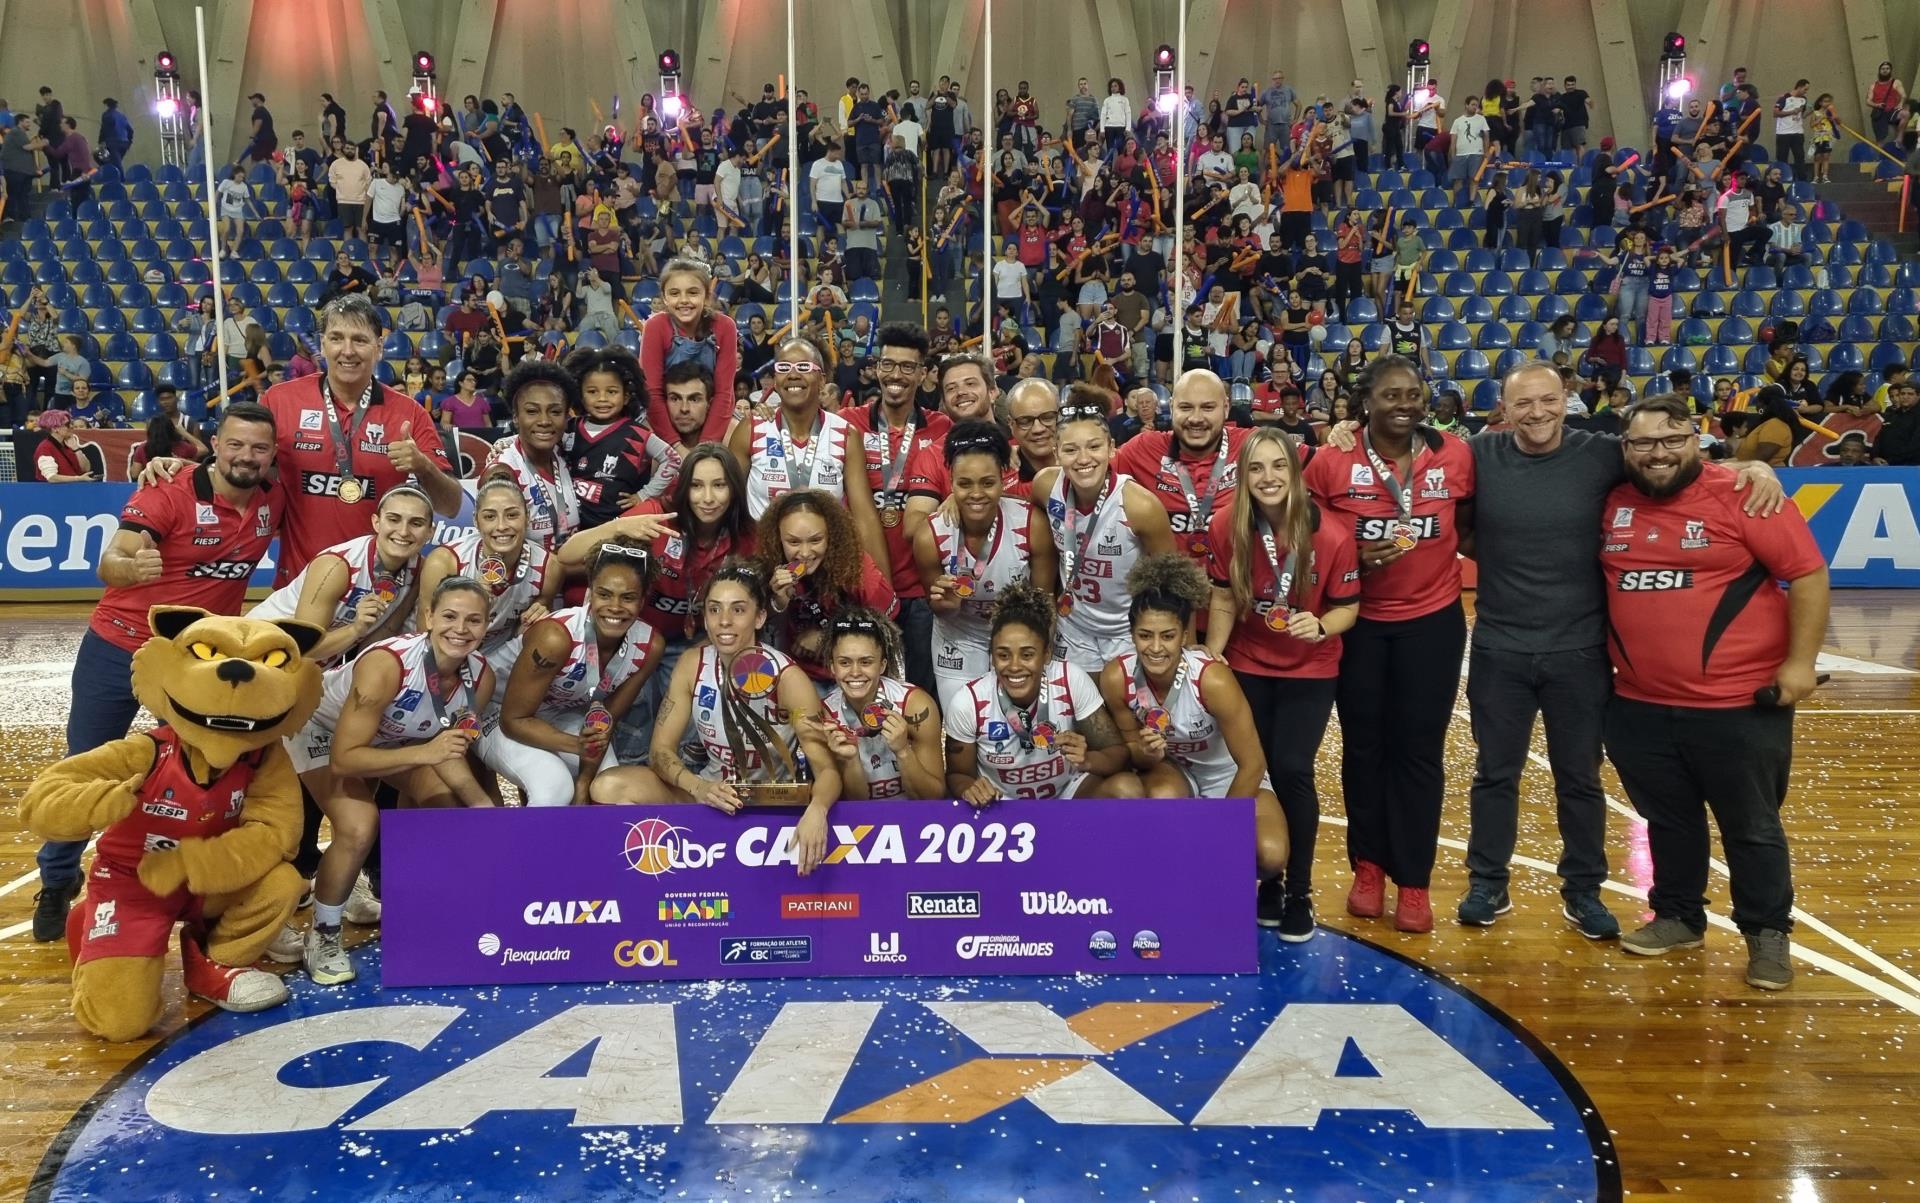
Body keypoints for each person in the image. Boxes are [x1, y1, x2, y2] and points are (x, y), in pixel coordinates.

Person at [1599, 395, 1829, 990]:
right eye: (1643, 442)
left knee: (1751, 826)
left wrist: (1800, 663)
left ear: (1697, 440)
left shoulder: (1745, 494)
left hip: (1738, 706)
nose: (1657, 454)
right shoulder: (1613, 500)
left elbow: (1806, 574)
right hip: (1639, 705)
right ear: (1625, 448)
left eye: (1672, 440)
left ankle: (1767, 932)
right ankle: (1678, 914)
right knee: (1667, 819)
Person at [29, 404, 282, 941]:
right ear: (215, 441)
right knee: (87, 765)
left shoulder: (273, 498)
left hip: (194, 665)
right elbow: (112, 559)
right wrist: (129, 567)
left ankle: (212, 885)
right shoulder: (169, 490)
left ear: (272, 455)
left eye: (259, 448)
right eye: (236, 444)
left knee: (217, 768)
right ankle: (56, 881)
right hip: (118, 649)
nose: (247, 456)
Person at [1303, 356, 1474, 933]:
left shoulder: (1454, 454)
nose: (1404, 405)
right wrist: (1348, 555)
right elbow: (1305, 534)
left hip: (1433, 621)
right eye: (1391, 395)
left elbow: (1471, 521)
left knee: (1419, 753)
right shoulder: (1331, 460)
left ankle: (1416, 881)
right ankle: (1369, 867)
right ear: (1365, 403)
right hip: (1359, 623)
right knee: (1364, 749)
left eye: (1414, 394)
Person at [142, 294, 461, 585]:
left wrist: (422, 466)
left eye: (360, 340)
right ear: (322, 345)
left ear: (379, 347)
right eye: (337, 338)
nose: (347, 351)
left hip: (378, 587)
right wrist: (181, 469)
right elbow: (237, 468)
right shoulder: (280, 401)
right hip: (299, 584)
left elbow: (450, 504)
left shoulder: (409, 413)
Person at [282, 576, 496, 984]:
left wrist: (482, 807)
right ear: (429, 617)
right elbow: (346, 761)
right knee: (359, 826)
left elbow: (447, 751)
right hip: (323, 733)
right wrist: (424, 753)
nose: (461, 629)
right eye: (449, 616)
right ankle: (323, 935)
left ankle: (413, 913)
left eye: (474, 620)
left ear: (488, 626)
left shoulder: (481, 677)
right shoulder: (387, 664)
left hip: (392, 740)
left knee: (446, 806)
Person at [591, 562, 839, 874]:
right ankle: (645, 875)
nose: (724, 622)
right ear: (705, 618)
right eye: (714, 609)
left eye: (738, 610)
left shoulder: (788, 678)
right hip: (712, 794)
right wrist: (700, 788)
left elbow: (827, 768)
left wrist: (818, 810)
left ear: (760, 616)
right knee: (609, 787)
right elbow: (660, 752)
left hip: (775, 803)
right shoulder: (691, 663)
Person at [1102, 554, 1289, 911]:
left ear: (1185, 634)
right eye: (1145, 635)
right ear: (1132, 634)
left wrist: (1221, 828)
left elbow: (1253, 763)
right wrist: (1149, 753)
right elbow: (1130, 751)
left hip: (1228, 775)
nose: (1156, 648)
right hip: (1175, 769)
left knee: (1270, 855)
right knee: (1159, 800)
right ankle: (1174, 891)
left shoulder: (1212, 679)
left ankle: (1269, 886)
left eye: (1168, 636)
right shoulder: (1117, 678)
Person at [560, 444, 750, 762]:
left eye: (719, 485)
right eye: (697, 485)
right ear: (683, 487)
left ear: (734, 488)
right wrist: (619, 527)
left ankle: (685, 777)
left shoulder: (746, 535)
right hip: (635, 639)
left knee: (686, 725)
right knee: (633, 732)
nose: (708, 498)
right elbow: (565, 556)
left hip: (692, 643)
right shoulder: (655, 515)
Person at [479, 540, 663, 807]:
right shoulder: (556, 637)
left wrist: (585, 781)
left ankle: (587, 848)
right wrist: (578, 746)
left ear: (643, 600)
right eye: (604, 594)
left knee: (609, 784)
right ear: (590, 593)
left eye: (628, 597)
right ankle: (526, 849)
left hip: (560, 711)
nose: (614, 606)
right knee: (553, 787)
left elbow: (603, 721)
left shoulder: (650, 646)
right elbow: (514, 720)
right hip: (496, 707)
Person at [944, 582, 1144, 804]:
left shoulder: (1070, 679)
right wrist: (970, 788)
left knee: (1128, 788)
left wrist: (1087, 760)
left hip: (1066, 793)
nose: (1014, 666)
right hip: (1001, 803)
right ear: (991, 657)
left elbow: (1118, 754)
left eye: (1027, 655)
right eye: (1003, 655)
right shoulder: (968, 701)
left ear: (1046, 655)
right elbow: (956, 775)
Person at [1029, 392, 1177, 673]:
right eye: (1071, 450)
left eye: (1094, 446)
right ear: (1056, 452)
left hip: (1127, 630)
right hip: (1072, 627)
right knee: (1073, 712)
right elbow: (1006, 505)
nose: (1083, 459)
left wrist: (1187, 648)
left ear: (1111, 448)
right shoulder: (1045, 486)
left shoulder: (1139, 505)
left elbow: (1174, 582)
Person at [841, 325, 949, 698]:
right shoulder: (847, 424)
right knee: (866, 689)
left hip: (921, 586)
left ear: (923, 373)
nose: (896, 376)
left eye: (907, 367)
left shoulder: (941, 429)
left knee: (920, 692)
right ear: (876, 368)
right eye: (888, 364)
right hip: (863, 583)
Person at [728, 337, 890, 571]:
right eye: (783, 368)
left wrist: (884, 592)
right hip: (762, 565)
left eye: (804, 367)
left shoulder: (845, 435)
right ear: (775, 379)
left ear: (822, 379)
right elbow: (729, 509)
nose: (793, 374)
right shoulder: (751, 429)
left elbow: (864, 517)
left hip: (823, 567)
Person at [913, 421, 1034, 710]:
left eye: (987, 483)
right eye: (964, 484)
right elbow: (939, 609)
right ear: (951, 482)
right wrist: (947, 604)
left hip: (1018, 633)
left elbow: (1043, 599)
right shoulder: (930, 534)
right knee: (961, 724)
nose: (976, 494)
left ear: (1003, 480)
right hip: (959, 636)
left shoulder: (1030, 523)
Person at [249, 484, 434, 667]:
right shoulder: (336, 566)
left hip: (308, 667)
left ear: (430, 532)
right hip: (255, 648)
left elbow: (383, 635)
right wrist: (356, 629)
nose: (403, 531)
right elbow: (303, 648)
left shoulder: (420, 571)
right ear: (376, 523)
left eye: (416, 523)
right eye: (394, 519)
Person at [414, 476, 562, 682]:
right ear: (476, 520)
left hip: (497, 656)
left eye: (511, 515)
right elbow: (425, 632)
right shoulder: (445, 561)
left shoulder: (549, 567)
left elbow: (539, 608)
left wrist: (537, 614)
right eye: (490, 517)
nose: (501, 526)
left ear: (527, 517)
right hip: (443, 650)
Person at [1114, 370, 1252, 576]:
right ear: (1171, 407)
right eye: (1185, 407)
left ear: (1226, 408)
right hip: (1168, 598)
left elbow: (1317, 463)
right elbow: (1086, 472)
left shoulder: (1252, 446)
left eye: (1207, 407)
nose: (1196, 418)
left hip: (1233, 596)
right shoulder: (1142, 448)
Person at [756, 489, 899, 685]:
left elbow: (886, 631)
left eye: (816, 540)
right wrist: (778, 601)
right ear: (777, 539)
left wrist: (827, 638)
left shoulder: (859, 573)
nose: (805, 553)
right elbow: (764, 629)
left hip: (854, 680)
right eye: (793, 541)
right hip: (798, 675)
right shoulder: (772, 567)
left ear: (832, 536)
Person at [812, 608, 945, 800]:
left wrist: (903, 751)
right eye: (844, 663)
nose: (855, 672)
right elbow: (856, 809)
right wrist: (850, 761)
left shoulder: (914, 704)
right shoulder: (826, 715)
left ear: (882, 665)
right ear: (832, 666)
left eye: (866, 662)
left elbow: (933, 798)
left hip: (913, 818)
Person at [563, 346, 681, 529]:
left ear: (626, 397)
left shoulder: (637, 434)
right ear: (581, 396)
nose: (602, 398)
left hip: (617, 529)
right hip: (571, 529)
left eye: (611, 392)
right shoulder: (569, 429)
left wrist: (644, 495)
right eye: (593, 391)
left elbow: (673, 459)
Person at [481, 360, 583, 550]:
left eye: (555, 411)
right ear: (515, 417)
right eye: (532, 411)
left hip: (574, 573)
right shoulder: (504, 470)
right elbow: (500, 554)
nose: (544, 420)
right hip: (531, 578)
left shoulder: (569, 454)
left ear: (566, 417)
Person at [641, 258, 740, 450]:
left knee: (733, 449)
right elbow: (651, 393)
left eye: (693, 293)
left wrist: (704, 448)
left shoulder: (725, 326)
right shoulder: (655, 327)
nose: (684, 300)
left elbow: (724, 394)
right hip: (663, 416)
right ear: (664, 297)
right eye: (675, 293)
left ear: (706, 296)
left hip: (712, 415)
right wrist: (676, 447)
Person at [32, 410, 96, 482]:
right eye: (67, 424)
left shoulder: (68, 444)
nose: (71, 426)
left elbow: (86, 469)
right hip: (55, 491)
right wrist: (78, 478)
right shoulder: (45, 448)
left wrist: (76, 449)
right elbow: (52, 477)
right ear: (55, 429)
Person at [1874, 378, 1920, 465]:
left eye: (1910, 394)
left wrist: (1891, 461)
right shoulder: (1892, 414)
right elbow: (1879, 438)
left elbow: (1916, 446)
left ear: (1918, 395)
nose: (1905, 397)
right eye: (1902, 394)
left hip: (1911, 466)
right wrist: (1875, 456)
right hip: (1884, 464)